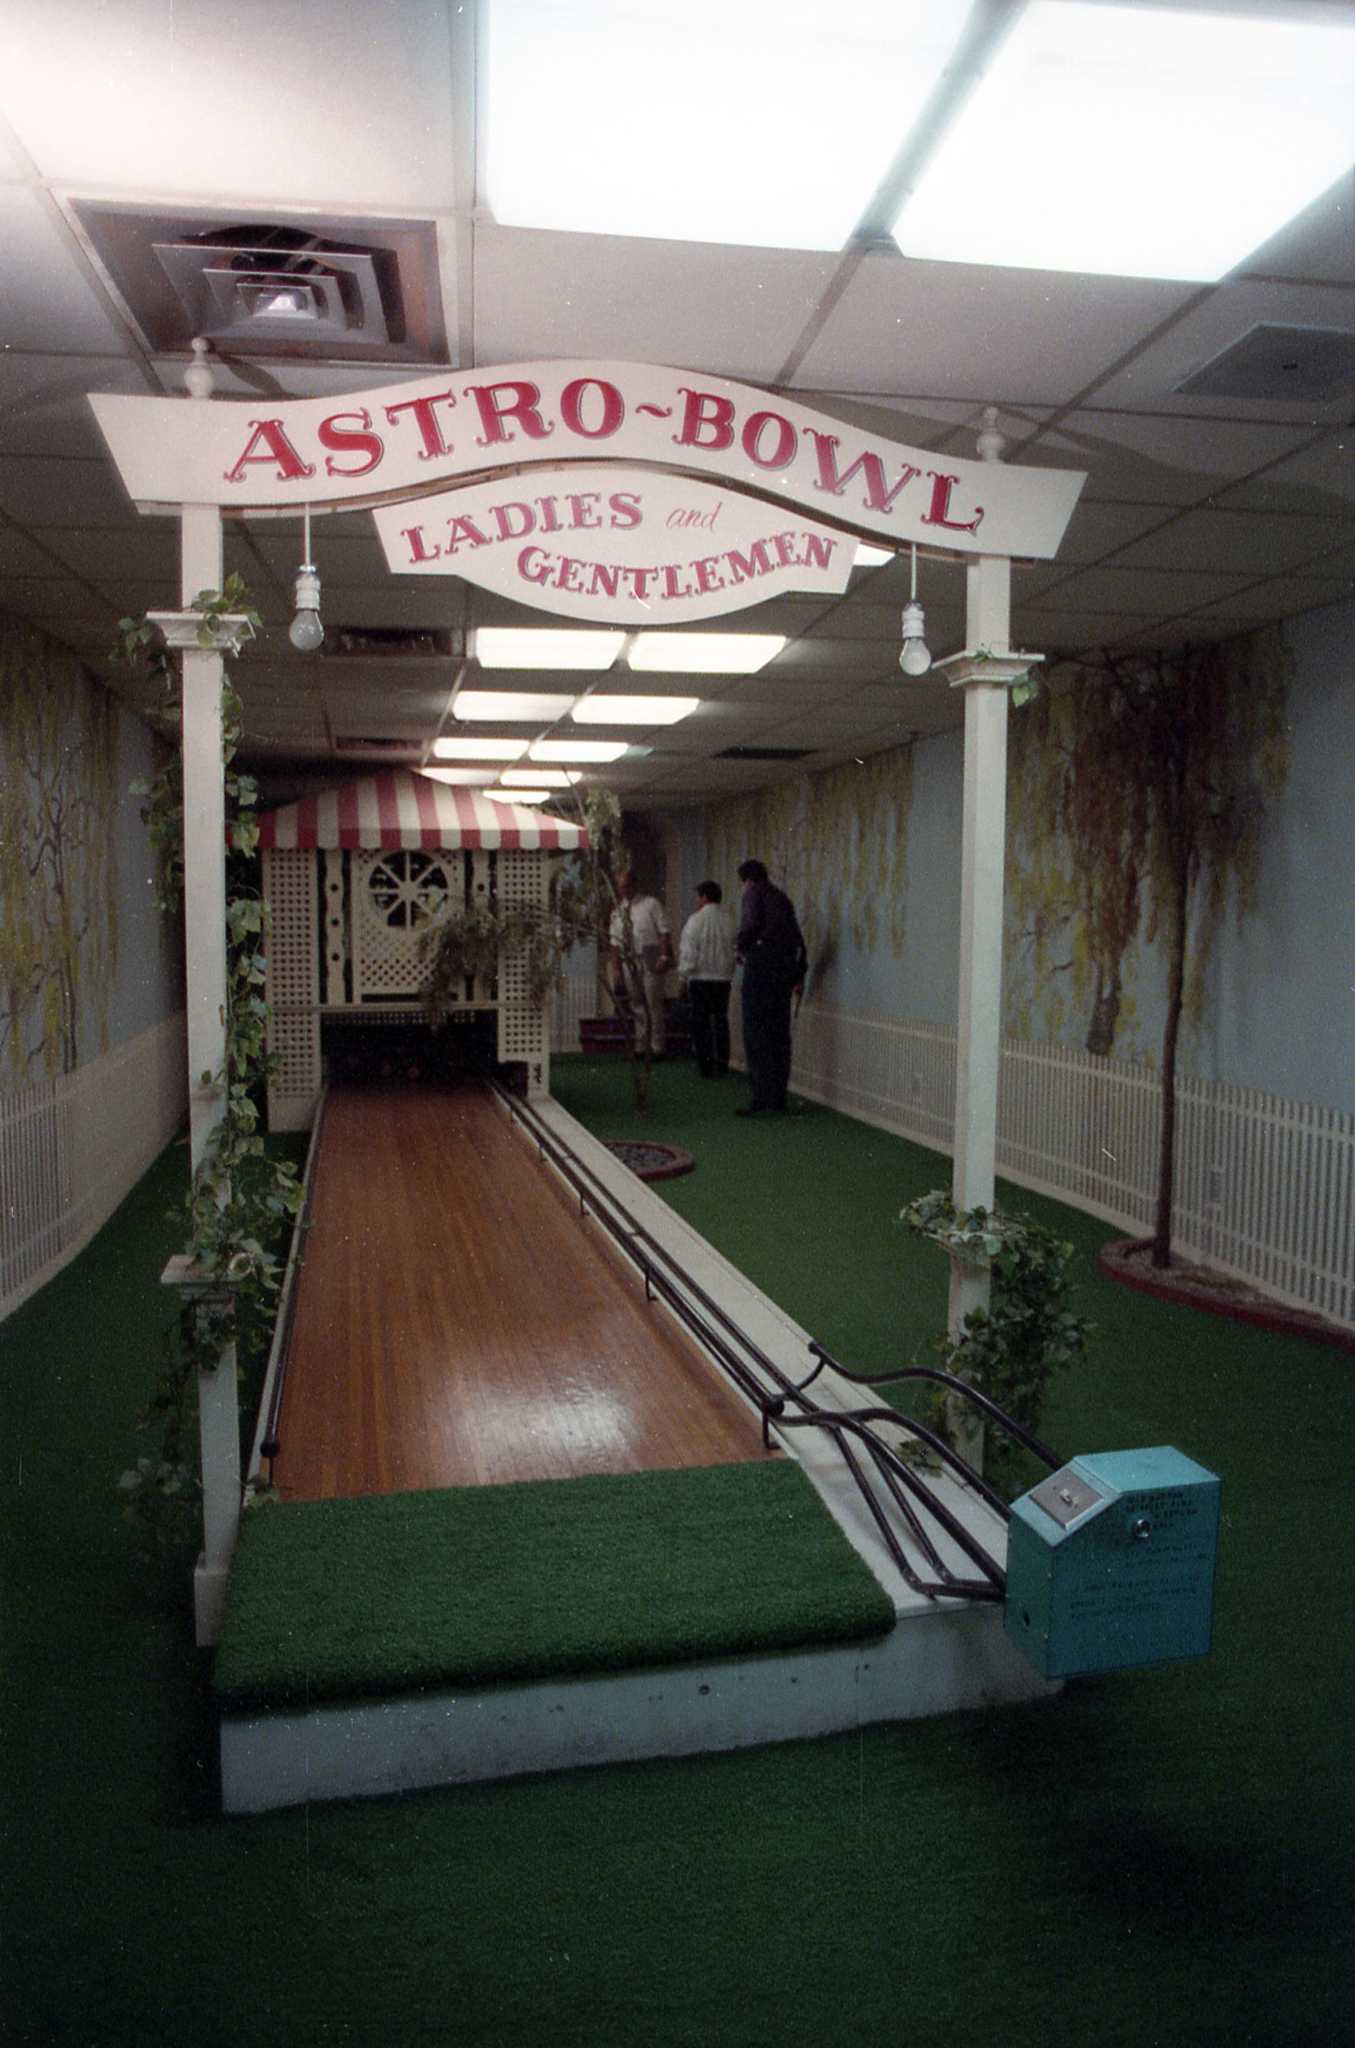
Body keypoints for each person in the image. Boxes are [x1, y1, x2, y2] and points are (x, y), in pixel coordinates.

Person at [734, 858, 807, 1116]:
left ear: (748, 880)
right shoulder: (782, 898)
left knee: (756, 1034)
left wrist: (740, 947)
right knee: (779, 1035)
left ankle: (761, 1099)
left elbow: (750, 926)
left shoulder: (754, 893)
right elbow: (798, 939)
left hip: (761, 967)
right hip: (783, 970)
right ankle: (777, 1099)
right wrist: (799, 974)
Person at [607, 869, 673, 1057]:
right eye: (620, 887)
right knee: (636, 1003)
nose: (623, 890)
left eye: (626, 885)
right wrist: (616, 968)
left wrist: (664, 956)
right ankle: (641, 1046)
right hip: (629, 959)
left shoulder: (650, 904)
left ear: (634, 885)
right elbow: (614, 943)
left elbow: (664, 932)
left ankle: (657, 1047)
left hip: (650, 955)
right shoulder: (617, 911)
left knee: (653, 1002)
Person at [677, 880, 736, 1077]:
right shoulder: (729, 920)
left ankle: (705, 1065)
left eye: (698, 896)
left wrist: (683, 977)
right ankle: (722, 1063)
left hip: (700, 978)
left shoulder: (695, 920)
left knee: (700, 1023)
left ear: (704, 897)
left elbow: (689, 953)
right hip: (723, 979)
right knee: (720, 1020)